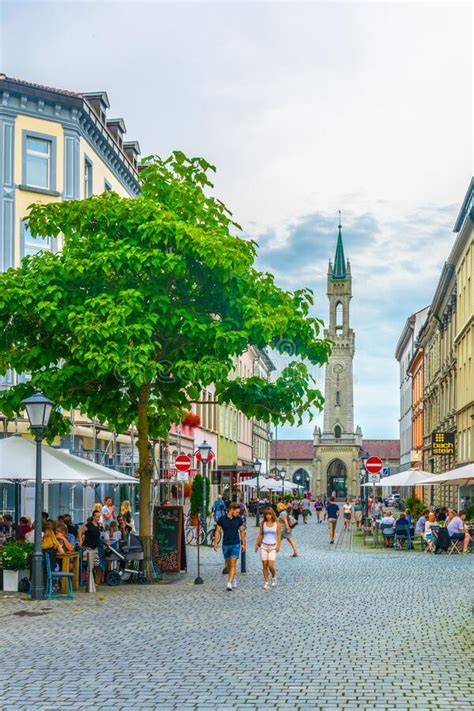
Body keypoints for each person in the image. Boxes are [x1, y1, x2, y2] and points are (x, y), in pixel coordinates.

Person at [213, 502, 246, 592]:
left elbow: (242, 531)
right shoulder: (222, 519)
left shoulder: (238, 519)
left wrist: (243, 543)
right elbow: (218, 531)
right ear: (231, 510)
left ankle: (229, 583)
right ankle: (233, 579)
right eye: (237, 512)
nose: (238, 514)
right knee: (228, 565)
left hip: (235, 543)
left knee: (233, 563)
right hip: (225, 544)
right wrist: (215, 543)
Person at [254, 507, 281, 589]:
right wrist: (257, 544)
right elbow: (260, 534)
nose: (268, 516)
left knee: (270, 565)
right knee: (264, 565)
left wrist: (278, 545)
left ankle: (273, 577)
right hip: (264, 546)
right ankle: (266, 582)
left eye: (269, 514)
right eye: (266, 515)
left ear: (272, 514)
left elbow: (279, 535)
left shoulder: (277, 523)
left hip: (273, 546)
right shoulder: (263, 523)